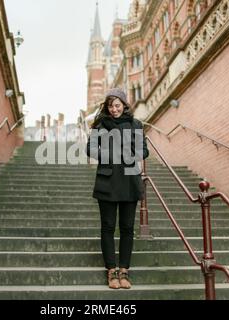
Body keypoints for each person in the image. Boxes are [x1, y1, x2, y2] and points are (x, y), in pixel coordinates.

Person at [86, 88, 149, 289]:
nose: (114, 109)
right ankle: (111, 271)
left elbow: (144, 151)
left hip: (130, 180)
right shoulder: (100, 125)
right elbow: (90, 148)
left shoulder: (135, 125)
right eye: (110, 106)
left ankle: (124, 271)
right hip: (107, 180)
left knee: (127, 228)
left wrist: (129, 154)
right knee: (107, 226)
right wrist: (110, 155)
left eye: (117, 105)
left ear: (124, 104)